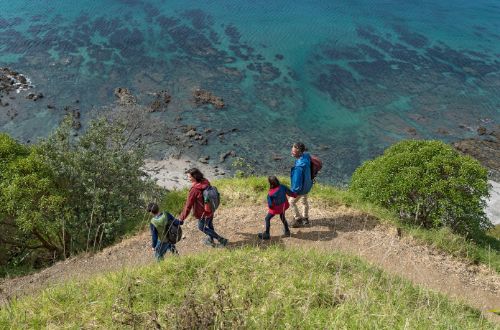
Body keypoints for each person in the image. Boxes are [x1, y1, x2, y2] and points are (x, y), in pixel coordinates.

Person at [179, 168, 228, 247]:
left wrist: (181, 218)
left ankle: (221, 240)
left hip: (203, 213)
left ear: (194, 177)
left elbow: (188, 206)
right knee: (209, 225)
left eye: (189, 177)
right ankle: (210, 240)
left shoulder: (194, 190)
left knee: (201, 227)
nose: (188, 178)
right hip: (210, 209)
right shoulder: (205, 181)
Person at [258, 176, 293, 240]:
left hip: (275, 209)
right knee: (282, 217)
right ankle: (287, 231)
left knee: (267, 219)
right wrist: (296, 194)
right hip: (283, 206)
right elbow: (290, 193)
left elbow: (271, 205)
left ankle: (267, 234)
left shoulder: (270, 193)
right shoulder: (282, 187)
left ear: (271, 183)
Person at [289, 142, 313, 227]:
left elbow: (296, 183)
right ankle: (305, 219)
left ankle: (297, 219)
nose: (292, 151)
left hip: (301, 188)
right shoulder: (306, 156)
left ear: (299, 151)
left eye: (293, 150)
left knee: (291, 202)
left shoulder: (299, 167)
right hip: (308, 184)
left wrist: (292, 192)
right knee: (304, 201)